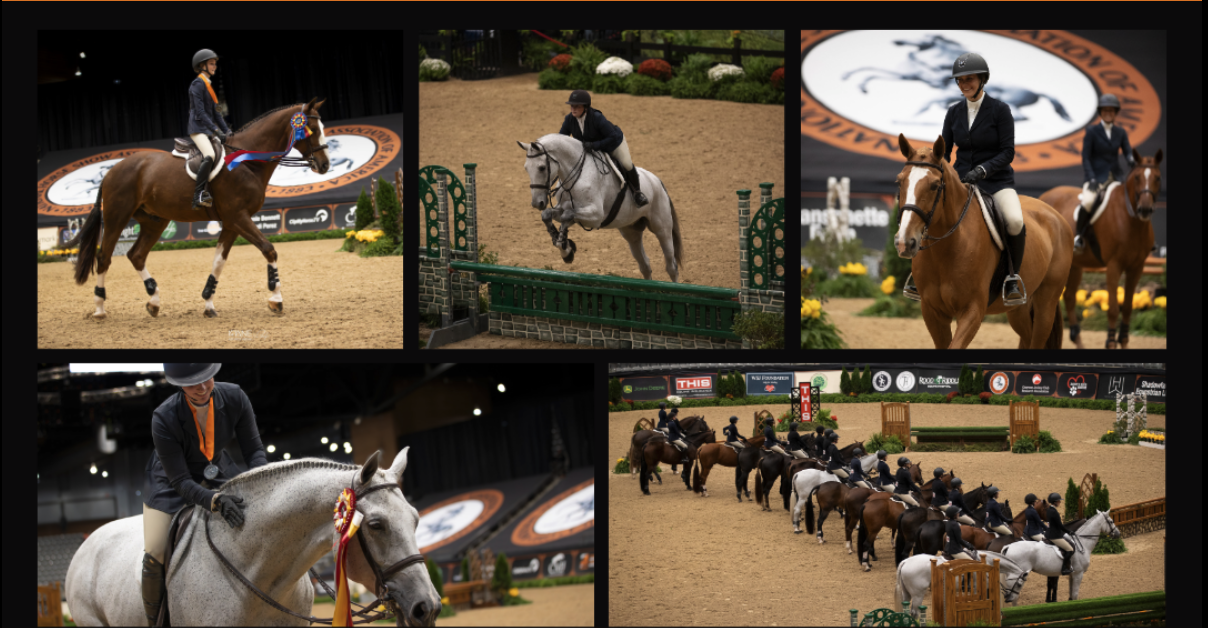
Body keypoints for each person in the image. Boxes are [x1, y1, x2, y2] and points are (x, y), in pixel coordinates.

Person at [141, 363, 268, 626]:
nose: (201, 388)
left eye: (207, 379)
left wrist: (261, 485)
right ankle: (155, 620)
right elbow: (180, 479)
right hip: (170, 480)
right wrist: (214, 500)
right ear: (177, 384)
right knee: (155, 549)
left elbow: (254, 450)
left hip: (217, 469)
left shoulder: (235, 396)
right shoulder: (163, 417)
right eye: (191, 384)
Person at [904, 52, 1026, 306]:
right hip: (960, 182)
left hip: (996, 182)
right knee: (931, 212)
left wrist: (983, 170)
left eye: (969, 79)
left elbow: (1008, 152)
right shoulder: (953, 112)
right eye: (960, 81)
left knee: (1014, 221)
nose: (964, 85)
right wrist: (939, 171)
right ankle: (918, 275)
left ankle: (1012, 278)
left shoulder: (1000, 110)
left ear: (982, 80)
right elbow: (944, 153)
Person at [558, 89, 648, 206]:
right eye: (571, 106)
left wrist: (595, 145)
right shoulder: (569, 119)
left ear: (585, 107)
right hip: (591, 148)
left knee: (626, 164)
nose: (573, 109)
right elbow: (561, 138)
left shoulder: (596, 117)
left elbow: (612, 136)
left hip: (613, 143)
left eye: (577, 106)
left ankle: (637, 193)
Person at [1074, 93, 1136, 253]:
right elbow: (1086, 157)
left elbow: (1128, 150)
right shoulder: (1092, 131)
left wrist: (1130, 159)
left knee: (1134, 200)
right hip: (1096, 177)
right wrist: (1092, 178)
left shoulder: (1120, 132)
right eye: (1105, 110)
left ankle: (1141, 239)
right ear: (1100, 112)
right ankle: (1079, 236)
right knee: (1088, 201)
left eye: (1111, 110)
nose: (1108, 113)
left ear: (1115, 112)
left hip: (1116, 177)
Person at [187, 49, 233, 211]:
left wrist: (227, 132)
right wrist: (215, 130)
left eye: (215, 64)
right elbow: (200, 112)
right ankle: (198, 195)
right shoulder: (197, 84)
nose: (215, 66)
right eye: (212, 64)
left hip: (207, 128)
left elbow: (217, 113)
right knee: (210, 155)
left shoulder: (209, 86)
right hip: (198, 128)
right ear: (202, 65)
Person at [1045, 493, 1076, 575]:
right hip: (1054, 536)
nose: (1060, 502)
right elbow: (1060, 526)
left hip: (1048, 533)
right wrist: (1069, 532)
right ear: (1054, 502)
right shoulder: (1054, 512)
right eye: (1059, 501)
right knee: (1070, 549)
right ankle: (1064, 568)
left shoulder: (1048, 510)